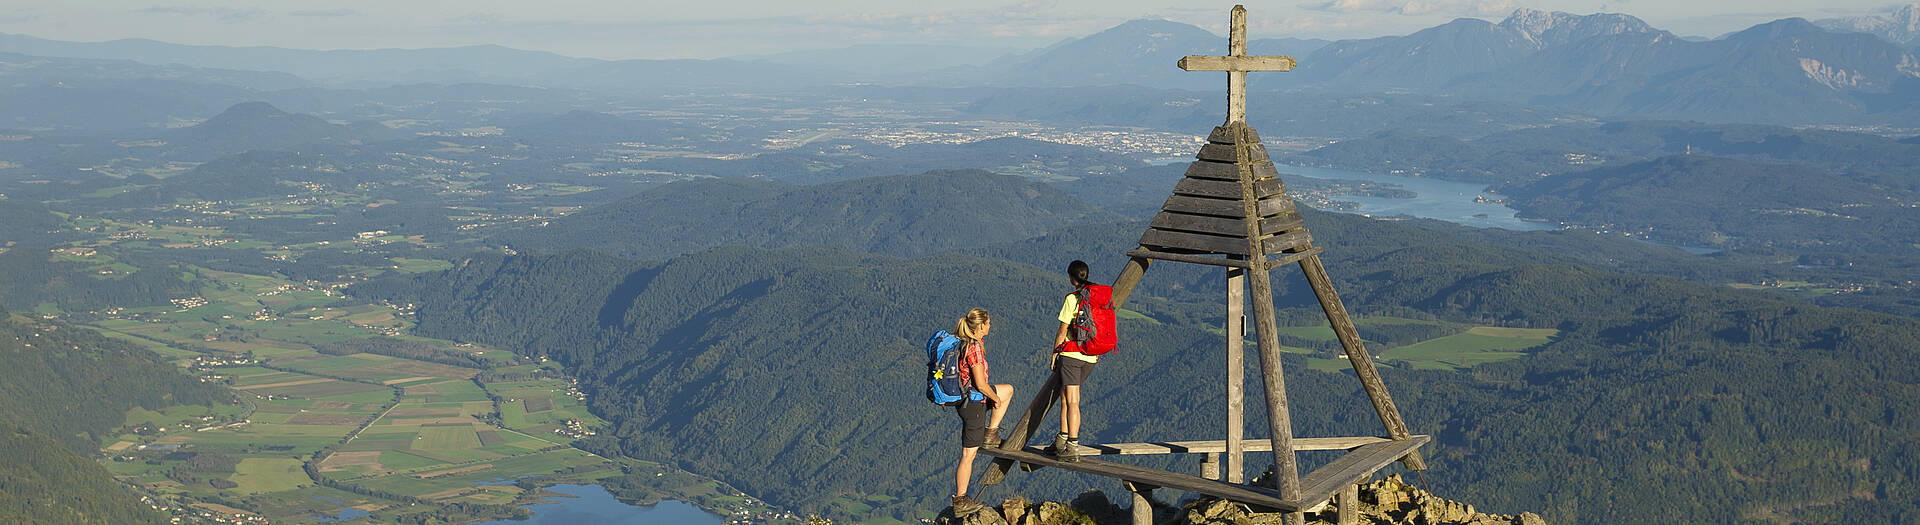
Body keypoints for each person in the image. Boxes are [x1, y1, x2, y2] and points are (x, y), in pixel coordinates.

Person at [949, 308, 1013, 514]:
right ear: (981, 326)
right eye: (989, 323)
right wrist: (994, 400)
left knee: (1008, 390)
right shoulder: (973, 347)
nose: (990, 326)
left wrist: (996, 396)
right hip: (973, 405)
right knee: (968, 455)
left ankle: (991, 433)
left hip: (970, 400)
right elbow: (980, 383)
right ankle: (960, 500)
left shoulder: (965, 341)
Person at [1048, 260, 1100, 462]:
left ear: (1072, 278)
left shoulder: (1073, 299)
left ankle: (1072, 446)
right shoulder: (1096, 297)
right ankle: (1061, 440)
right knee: (1065, 396)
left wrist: (1054, 353)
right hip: (1091, 356)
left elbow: (1062, 330)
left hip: (1072, 355)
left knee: (1072, 401)